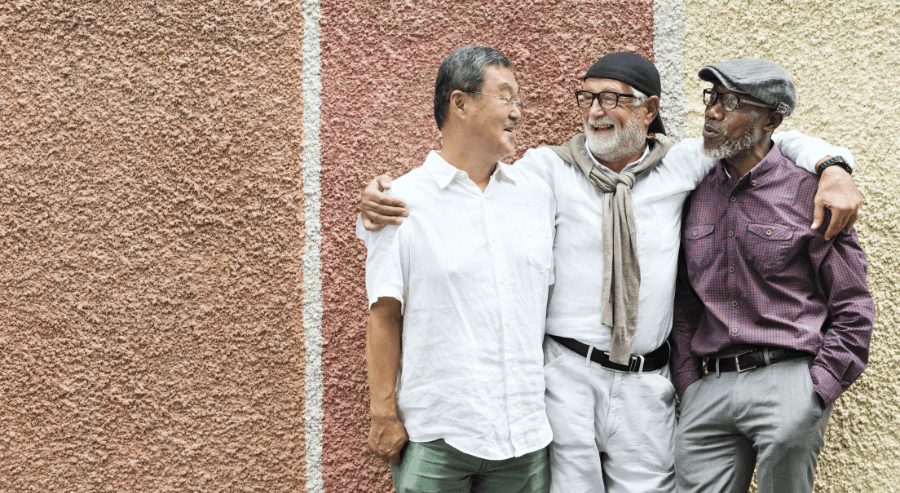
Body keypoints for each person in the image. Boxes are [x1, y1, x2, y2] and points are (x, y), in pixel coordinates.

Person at [359, 52, 862, 492]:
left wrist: (834, 166)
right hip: (567, 377)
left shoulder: (683, 164)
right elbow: (467, 179)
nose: (596, 111)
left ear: (650, 110)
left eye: (613, 99)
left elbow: (770, 137)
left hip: (648, 381)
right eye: (588, 98)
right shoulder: (544, 171)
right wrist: (381, 199)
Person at [670, 58, 875, 493]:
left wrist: (816, 390)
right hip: (710, 387)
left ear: (771, 118)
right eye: (711, 98)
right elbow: (685, 302)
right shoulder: (693, 191)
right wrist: (688, 385)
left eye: (730, 101)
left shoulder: (809, 193)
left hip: (789, 382)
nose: (712, 112)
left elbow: (853, 305)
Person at [360, 45, 554, 493]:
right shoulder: (399, 202)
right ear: (460, 103)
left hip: (524, 435)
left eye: (519, 101)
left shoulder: (538, 194)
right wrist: (382, 414)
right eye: (506, 97)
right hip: (438, 437)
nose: (517, 113)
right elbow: (384, 313)